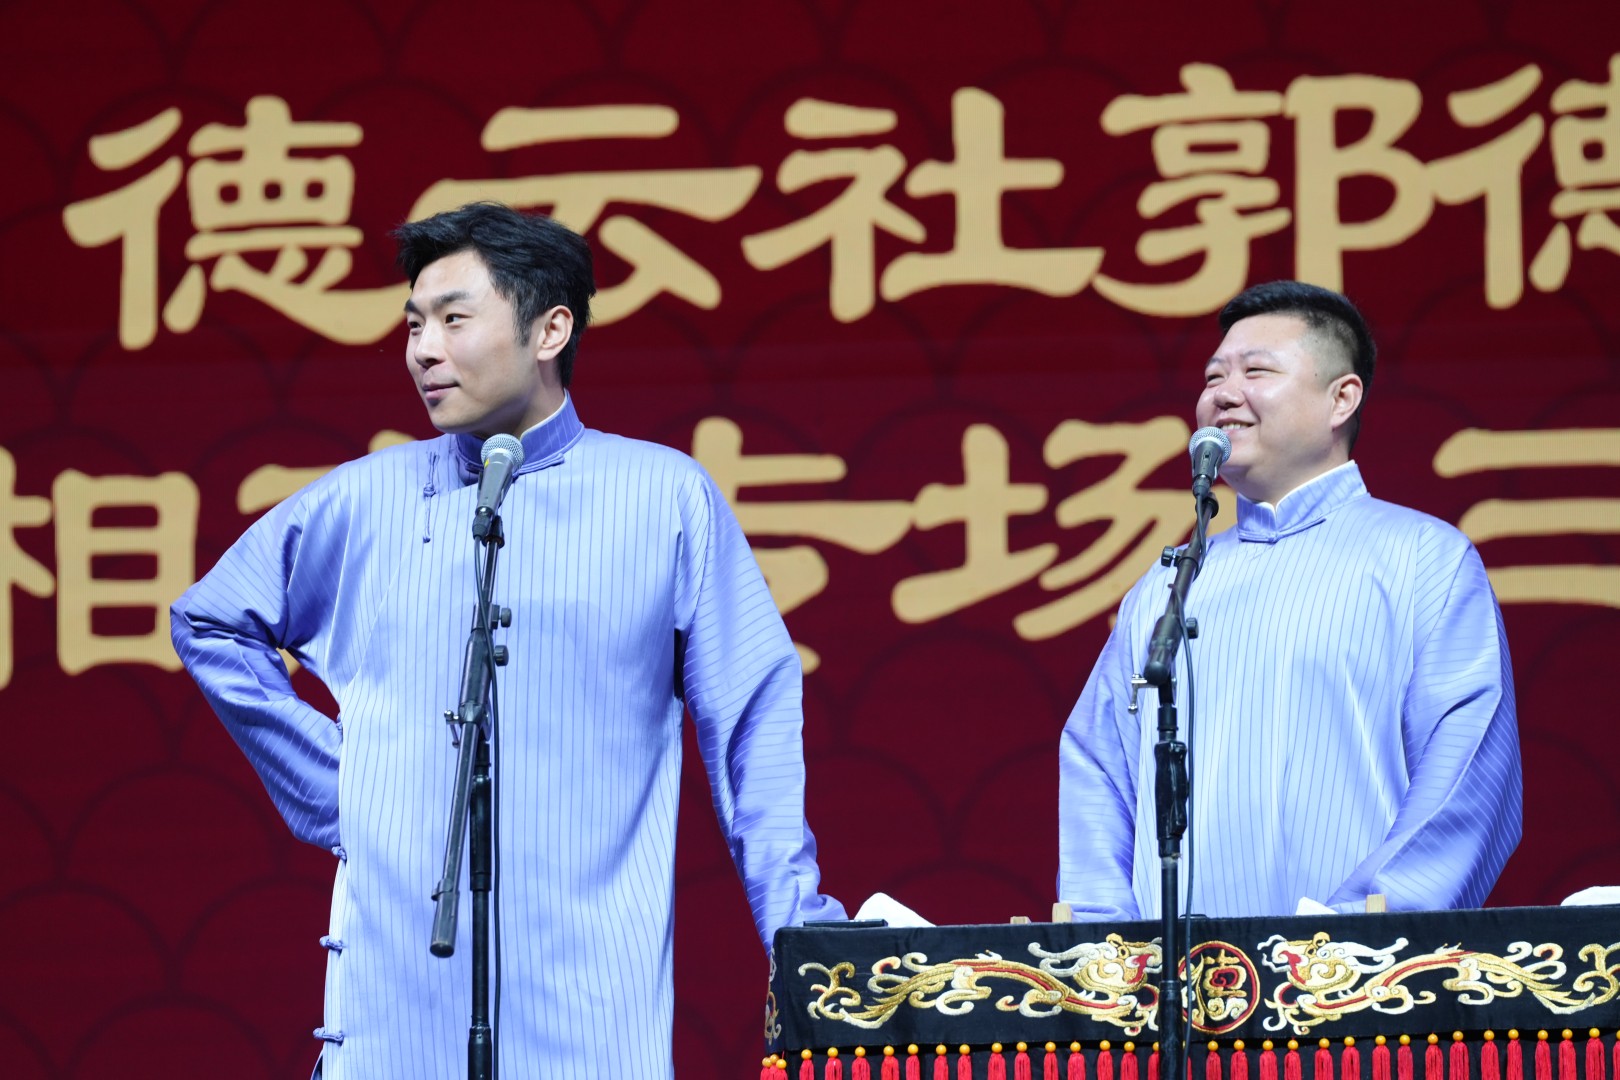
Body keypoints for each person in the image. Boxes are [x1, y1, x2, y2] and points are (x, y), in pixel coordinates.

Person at [171, 201, 845, 1079]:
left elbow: (750, 715)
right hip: (398, 1006)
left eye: (454, 319)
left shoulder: (664, 498)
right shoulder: (364, 500)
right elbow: (211, 620)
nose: (423, 349)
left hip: (588, 1004)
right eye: (413, 324)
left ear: (549, 330)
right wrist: (349, 789)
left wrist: (805, 939)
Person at [1057, 280, 1522, 920]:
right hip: (1172, 979)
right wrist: (1110, 945)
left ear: (1341, 398)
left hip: (1354, 969)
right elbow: (1099, 770)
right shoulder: (1169, 585)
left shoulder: (1423, 558)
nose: (1223, 394)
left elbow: (1466, 774)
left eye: (1256, 371)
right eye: (1214, 376)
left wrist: (1350, 940)